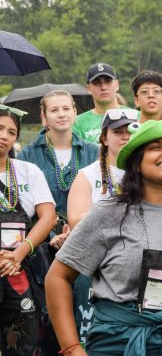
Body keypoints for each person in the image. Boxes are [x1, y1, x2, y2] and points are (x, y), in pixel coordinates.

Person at [46, 119, 162, 356]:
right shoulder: (108, 214)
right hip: (117, 344)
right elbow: (58, 277)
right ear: (136, 161)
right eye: (155, 147)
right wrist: (72, 349)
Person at [65, 108, 136, 345]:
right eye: (118, 131)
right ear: (104, 138)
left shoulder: (145, 172)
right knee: (91, 331)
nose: (125, 136)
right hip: (94, 264)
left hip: (135, 262)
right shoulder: (88, 174)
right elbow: (76, 220)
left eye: (130, 131)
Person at [0, 105, 56, 356]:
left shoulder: (28, 171)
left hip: (20, 270)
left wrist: (18, 254)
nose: (4, 136)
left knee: (23, 346)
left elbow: (48, 217)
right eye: (0, 128)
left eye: (11, 132)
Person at [19, 90, 99, 248]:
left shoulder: (94, 152)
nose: (61, 114)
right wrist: (51, 235)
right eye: (54, 110)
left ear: (75, 113)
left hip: (88, 238)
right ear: (44, 117)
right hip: (41, 243)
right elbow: (23, 205)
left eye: (66, 109)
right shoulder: (28, 155)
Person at [73, 62, 125, 143]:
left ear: (117, 85)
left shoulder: (135, 116)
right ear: (89, 89)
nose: (103, 87)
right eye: (97, 83)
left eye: (108, 81)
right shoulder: (78, 123)